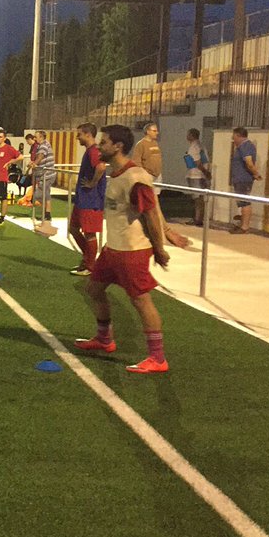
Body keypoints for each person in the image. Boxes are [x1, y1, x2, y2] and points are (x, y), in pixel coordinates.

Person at [74, 124, 170, 374]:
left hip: (132, 251)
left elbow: (150, 213)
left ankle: (158, 358)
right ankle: (105, 339)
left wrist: (159, 248)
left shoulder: (134, 176)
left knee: (141, 301)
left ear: (117, 147)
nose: (99, 145)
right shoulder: (115, 174)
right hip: (113, 248)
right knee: (93, 289)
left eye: (104, 142)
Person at [133, 122, 191, 248]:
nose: (156, 132)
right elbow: (137, 162)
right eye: (154, 130)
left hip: (157, 176)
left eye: (156, 130)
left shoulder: (155, 144)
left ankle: (162, 230)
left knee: (155, 202)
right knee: (153, 204)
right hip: (148, 178)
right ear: (147, 131)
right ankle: (160, 232)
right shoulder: (141, 145)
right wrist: (144, 175)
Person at [69, 123, 107, 276]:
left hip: (91, 200)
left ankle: (91, 266)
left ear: (88, 135)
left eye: (79, 134)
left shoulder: (94, 151)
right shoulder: (90, 151)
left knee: (89, 233)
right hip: (83, 199)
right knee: (73, 228)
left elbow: (101, 167)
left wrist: (92, 183)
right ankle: (89, 259)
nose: (77, 137)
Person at [230, 126, 263, 234]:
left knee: (245, 202)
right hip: (240, 178)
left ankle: (244, 227)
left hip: (243, 179)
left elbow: (249, 163)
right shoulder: (242, 147)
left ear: (239, 135)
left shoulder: (246, 146)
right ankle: (242, 224)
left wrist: (256, 174)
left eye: (234, 136)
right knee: (242, 202)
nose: (233, 138)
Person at [184, 128, 211, 225]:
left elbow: (197, 162)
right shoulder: (202, 145)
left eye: (188, 134)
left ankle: (197, 219)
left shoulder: (193, 147)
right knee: (200, 198)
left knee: (197, 198)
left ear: (191, 135)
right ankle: (199, 218)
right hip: (201, 175)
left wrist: (205, 172)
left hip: (195, 175)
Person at [31, 130, 56, 221]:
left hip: (47, 175)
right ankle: (47, 214)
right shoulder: (44, 144)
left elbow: (40, 156)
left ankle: (46, 212)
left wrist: (34, 164)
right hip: (46, 174)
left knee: (38, 195)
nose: (34, 138)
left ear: (41, 137)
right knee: (46, 194)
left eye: (36, 136)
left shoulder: (43, 145)